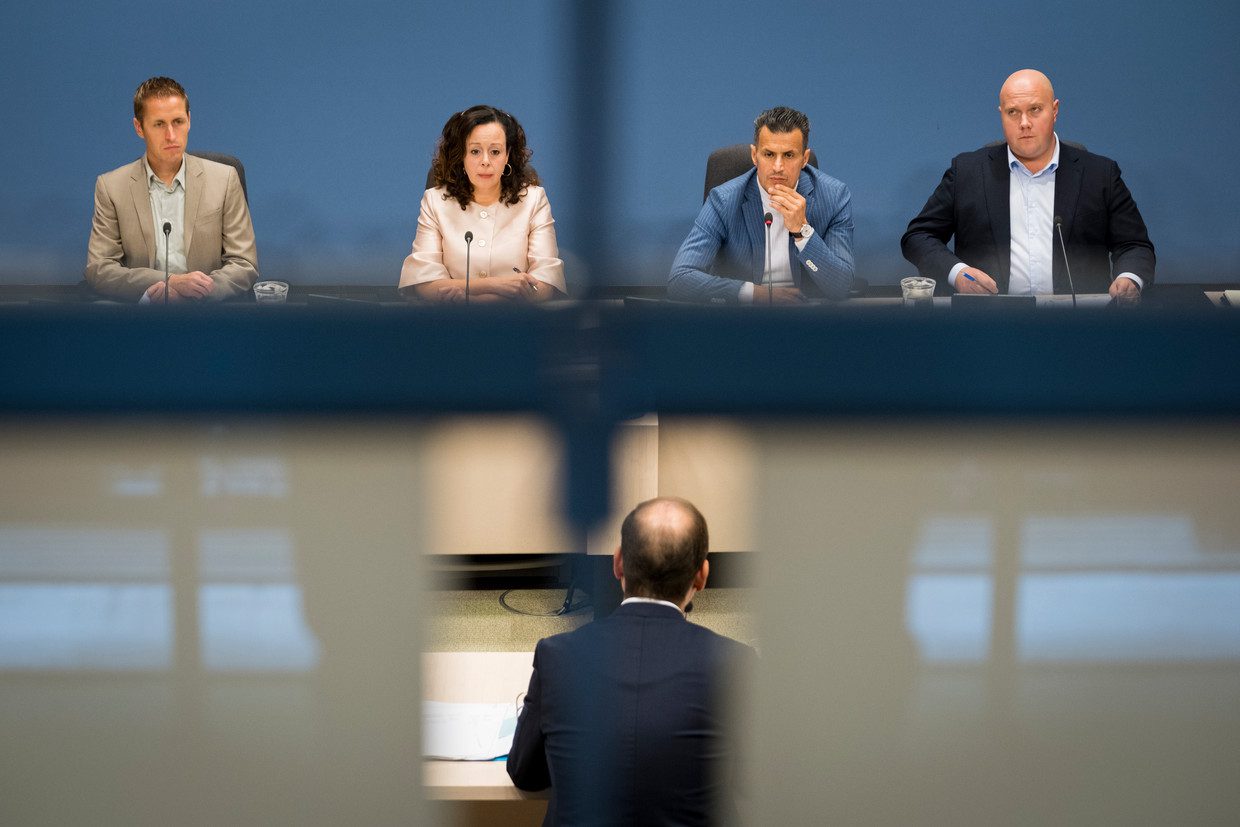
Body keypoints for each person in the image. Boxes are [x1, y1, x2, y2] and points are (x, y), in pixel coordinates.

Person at [507, 497, 754, 826]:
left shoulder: (559, 655)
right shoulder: (733, 663)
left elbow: (525, 774)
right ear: (702, 575)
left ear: (618, 563)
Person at [901, 69, 1155, 300]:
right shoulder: (968, 172)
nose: (1024, 123)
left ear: (1054, 110)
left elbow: (1134, 245)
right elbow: (919, 237)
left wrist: (1129, 278)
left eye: (1035, 109)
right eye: (1013, 112)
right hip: (989, 322)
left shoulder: (1099, 174)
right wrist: (959, 274)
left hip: (1079, 323)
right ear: (1001, 114)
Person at [85, 76, 258, 303]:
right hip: (144, 316)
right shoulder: (112, 187)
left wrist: (199, 291)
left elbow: (244, 264)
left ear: (189, 120)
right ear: (139, 127)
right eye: (159, 124)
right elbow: (99, 268)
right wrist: (167, 283)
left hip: (208, 315)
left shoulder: (224, 179)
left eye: (178, 121)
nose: (171, 135)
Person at [668, 106, 855, 304]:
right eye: (769, 154)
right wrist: (752, 293)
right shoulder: (723, 200)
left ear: (804, 159)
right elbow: (680, 279)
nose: (778, 167)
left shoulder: (834, 197)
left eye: (789, 155)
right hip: (744, 319)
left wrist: (803, 231)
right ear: (754, 155)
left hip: (804, 316)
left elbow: (840, 287)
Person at [400, 105, 565, 303]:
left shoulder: (533, 199)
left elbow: (545, 282)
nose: (485, 161)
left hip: (517, 321)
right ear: (462, 155)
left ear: (507, 155)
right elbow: (424, 282)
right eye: (475, 151)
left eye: (495, 151)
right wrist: (497, 286)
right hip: (455, 323)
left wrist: (473, 298)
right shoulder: (435, 201)